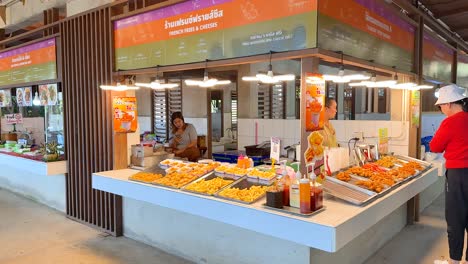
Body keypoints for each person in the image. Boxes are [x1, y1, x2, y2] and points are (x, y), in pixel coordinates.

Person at [430, 84, 468, 264]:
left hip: (458, 176)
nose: (441, 109)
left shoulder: (451, 121)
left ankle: (454, 260)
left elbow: (435, 146)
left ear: (451, 104)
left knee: (455, 217)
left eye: (442, 105)